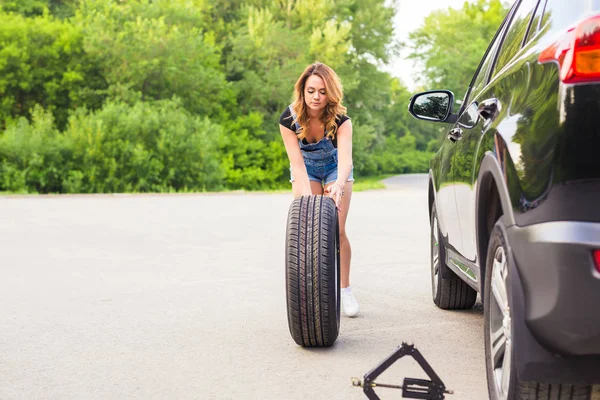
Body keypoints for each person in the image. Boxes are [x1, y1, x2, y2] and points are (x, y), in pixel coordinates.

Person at [278, 62, 359, 318]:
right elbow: (297, 165)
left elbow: (345, 160)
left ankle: (344, 289)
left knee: (337, 230)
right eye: (311, 90)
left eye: (322, 92)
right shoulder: (288, 119)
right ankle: (311, 293)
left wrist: (337, 186)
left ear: (330, 93)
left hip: (336, 169)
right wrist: (311, 203)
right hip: (307, 170)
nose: (316, 97)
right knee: (309, 230)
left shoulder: (341, 121)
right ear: (302, 91)